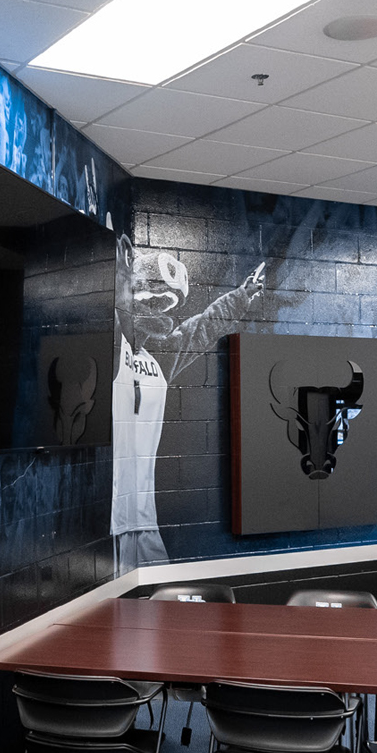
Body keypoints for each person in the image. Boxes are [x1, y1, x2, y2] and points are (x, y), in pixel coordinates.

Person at [112, 235, 268, 566]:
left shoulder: (160, 358)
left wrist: (242, 296)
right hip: (109, 517)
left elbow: (204, 327)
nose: (156, 307)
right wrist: (123, 269)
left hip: (143, 517)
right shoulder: (114, 346)